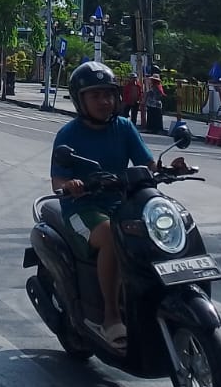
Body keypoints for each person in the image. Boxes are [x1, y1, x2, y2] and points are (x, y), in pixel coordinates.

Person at [50, 62, 160, 351]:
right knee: (113, 235)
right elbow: (57, 181)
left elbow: (147, 164)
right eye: (95, 95)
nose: (105, 101)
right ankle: (110, 317)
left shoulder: (124, 127)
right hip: (82, 210)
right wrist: (71, 185)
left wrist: (168, 168)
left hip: (121, 205)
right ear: (80, 99)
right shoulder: (68, 135)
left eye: (108, 94)